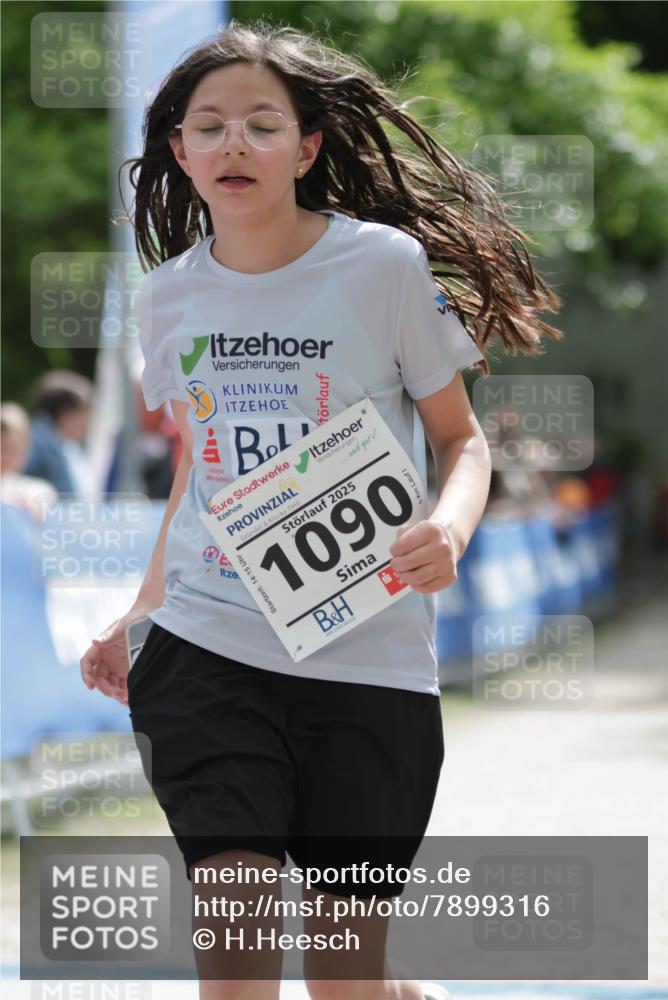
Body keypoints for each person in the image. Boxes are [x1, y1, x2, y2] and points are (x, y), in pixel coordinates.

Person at [80, 19, 563, 1000]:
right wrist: (141, 610)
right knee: (235, 947)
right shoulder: (167, 297)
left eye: (262, 124)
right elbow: (197, 476)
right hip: (208, 648)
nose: (232, 145)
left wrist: (450, 527)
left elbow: (459, 439)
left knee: (342, 981)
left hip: (366, 662)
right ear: (178, 150)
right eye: (206, 126)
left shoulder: (379, 267)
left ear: (305, 148)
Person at [22, 369, 96, 497]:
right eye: (85, 412)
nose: (88, 422)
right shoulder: (34, 444)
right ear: (67, 413)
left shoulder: (68, 446)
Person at [0, 402, 58, 519]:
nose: (5, 456)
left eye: (12, 450)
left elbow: (44, 496)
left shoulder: (26, 489)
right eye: (2, 448)